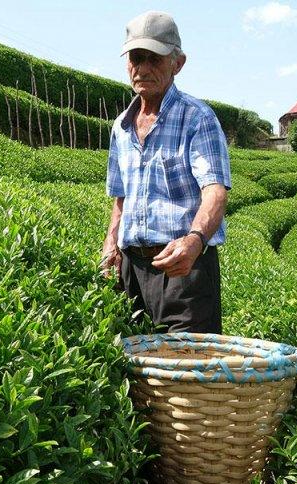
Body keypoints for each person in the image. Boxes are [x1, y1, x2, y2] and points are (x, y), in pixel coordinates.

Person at [101, 10, 231, 334]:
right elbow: (121, 197)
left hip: (183, 268)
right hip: (131, 269)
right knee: (133, 359)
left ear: (178, 63)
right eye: (136, 58)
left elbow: (215, 190)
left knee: (185, 360)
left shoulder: (197, 118)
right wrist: (111, 243)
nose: (143, 68)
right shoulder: (121, 127)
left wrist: (195, 240)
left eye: (154, 59)